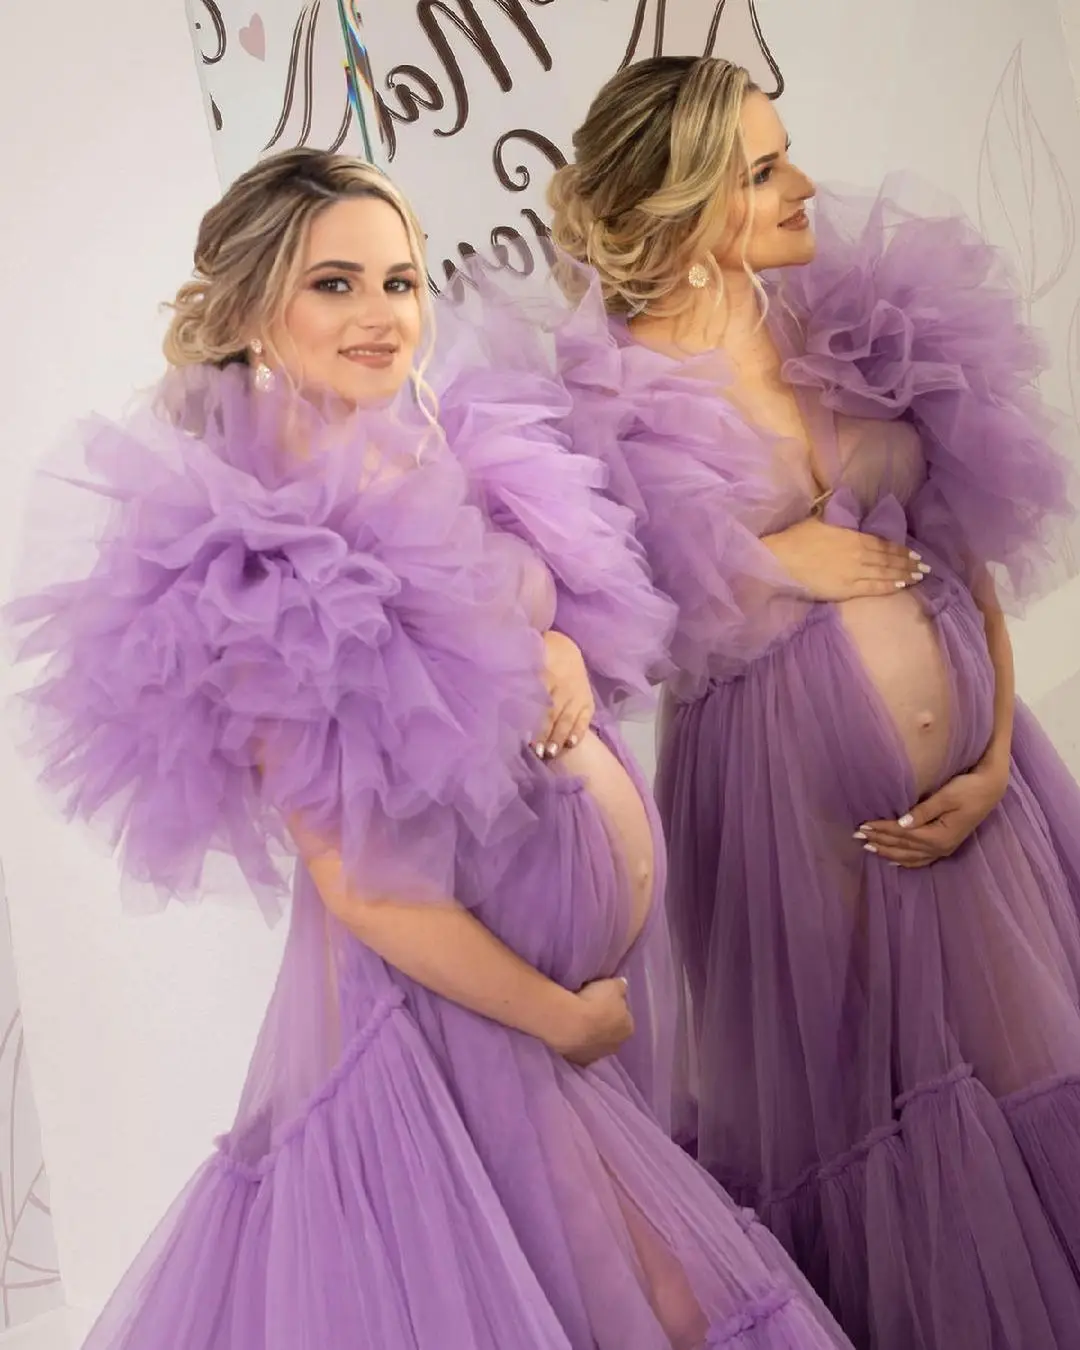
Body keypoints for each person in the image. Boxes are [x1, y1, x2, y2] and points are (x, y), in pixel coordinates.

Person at [6, 147, 854, 1350]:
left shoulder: (437, 449)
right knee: (659, 1308)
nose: (381, 314)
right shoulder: (258, 558)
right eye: (334, 284)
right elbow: (359, 883)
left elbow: (518, 646)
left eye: (398, 281)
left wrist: (556, 646)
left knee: (646, 1306)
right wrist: (552, 1016)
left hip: (547, 1015)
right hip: (455, 1023)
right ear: (250, 313)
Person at [547, 54, 1080, 1350]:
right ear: (687, 201)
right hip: (784, 806)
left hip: (984, 798)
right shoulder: (602, 399)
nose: (803, 185)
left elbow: (959, 552)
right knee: (869, 1115)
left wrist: (992, 755)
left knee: (1039, 1076)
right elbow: (603, 619)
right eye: (764, 169)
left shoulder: (847, 325)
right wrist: (768, 552)